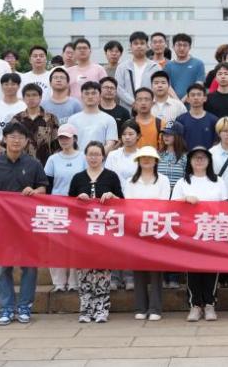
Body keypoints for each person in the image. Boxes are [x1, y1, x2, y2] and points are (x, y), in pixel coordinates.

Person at [0, 122, 48, 325]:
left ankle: (24, 307)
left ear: (26, 141)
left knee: (29, 267)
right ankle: (6, 308)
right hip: (1, 225)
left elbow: (43, 188)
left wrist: (34, 191)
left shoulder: (33, 164)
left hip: (27, 224)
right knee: (2, 267)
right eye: (12, 137)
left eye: (20, 137)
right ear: (4, 139)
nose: (16, 140)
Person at [69, 140, 124, 323]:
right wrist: (78, 199)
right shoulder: (78, 178)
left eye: (97, 154)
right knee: (84, 272)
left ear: (103, 156)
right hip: (83, 232)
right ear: (85, 156)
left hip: (104, 231)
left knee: (102, 271)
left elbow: (122, 203)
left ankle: (102, 308)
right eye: (90, 154)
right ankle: (86, 309)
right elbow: (68, 204)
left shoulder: (111, 177)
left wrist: (112, 196)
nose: (94, 158)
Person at [172, 147, 228, 321]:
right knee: (193, 269)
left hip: (212, 230)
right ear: (190, 161)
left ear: (209, 161)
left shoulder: (218, 181)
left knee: (211, 268)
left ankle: (210, 304)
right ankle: (195, 305)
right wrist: (185, 200)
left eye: (203, 157)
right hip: (190, 232)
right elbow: (172, 205)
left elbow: (226, 205)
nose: (199, 160)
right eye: (195, 157)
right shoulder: (183, 182)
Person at [123, 146, 168, 320]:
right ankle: (140, 307)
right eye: (143, 157)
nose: (147, 160)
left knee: (156, 270)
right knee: (139, 269)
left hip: (157, 229)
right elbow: (128, 204)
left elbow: (164, 203)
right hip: (137, 229)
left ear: (156, 161)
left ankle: (155, 308)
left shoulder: (163, 180)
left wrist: (145, 208)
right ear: (138, 161)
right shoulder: (130, 181)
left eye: (150, 157)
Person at [44, 124, 85, 291]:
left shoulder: (83, 157)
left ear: (74, 138)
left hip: (78, 207)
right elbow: (47, 184)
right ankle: (59, 282)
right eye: (61, 138)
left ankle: (75, 282)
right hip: (57, 207)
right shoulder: (53, 159)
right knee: (56, 245)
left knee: (76, 245)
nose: (64, 141)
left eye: (67, 137)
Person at [9, 84, 59, 168]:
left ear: (40, 97)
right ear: (23, 98)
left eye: (34, 95)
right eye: (28, 95)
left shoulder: (51, 119)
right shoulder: (17, 119)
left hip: (45, 167)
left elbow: (57, 145)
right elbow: (8, 144)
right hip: (20, 166)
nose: (31, 98)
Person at [67, 82, 118, 151]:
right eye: (86, 93)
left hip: (101, 157)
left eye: (93, 93)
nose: (90, 96)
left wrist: (96, 155)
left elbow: (110, 144)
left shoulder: (109, 119)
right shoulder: (72, 119)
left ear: (100, 96)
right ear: (81, 96)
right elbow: (68, 143)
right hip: (78, 157)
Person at [116, 31, 161, 108]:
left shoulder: (155, 67)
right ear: (130, 46)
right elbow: (118, 88)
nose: (139, 46)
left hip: (150, 108)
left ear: (147, 46)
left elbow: (159, 87)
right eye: (136, 43)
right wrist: (133, 103)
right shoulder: (122, 67)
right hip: (127, 108)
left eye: (142, 43)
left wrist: (147, 102)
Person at [0, 73, 27, 143]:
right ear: (1, 86)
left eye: (13, 84)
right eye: (6, 84)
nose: (9, 87)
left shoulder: (25, 107)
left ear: (19, 86)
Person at [164, 33, 206, 98]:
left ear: (190, 47)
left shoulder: (198, 64)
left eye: (185, 45)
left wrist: (184, 100)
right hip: (173, 102)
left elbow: (199, 84)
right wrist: (177, 101)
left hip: (193, 101)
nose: (182, 48)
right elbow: (167, 85)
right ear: (173, 47)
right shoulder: (168, 65)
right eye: (179, 45)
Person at [157, 121, 189, 189]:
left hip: (178, 193)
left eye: (170, 134)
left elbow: (187, 180)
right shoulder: (158, 155)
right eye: (164, 133)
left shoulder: (185, 157)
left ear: (178, 136)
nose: (166, 136)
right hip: (160, 193)